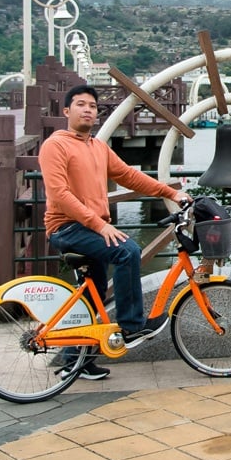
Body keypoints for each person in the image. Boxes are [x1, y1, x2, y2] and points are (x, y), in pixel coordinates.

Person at [40, 84, 192, 380]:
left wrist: (170, 193)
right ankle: (133, 327)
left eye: (93, 106)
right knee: (127, 250)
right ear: (67, 111)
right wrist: (99, 224)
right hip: (66, 227)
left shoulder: (98, 147)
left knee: (92, 294)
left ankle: (76, 361)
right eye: (81, 105)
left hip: (89, 229)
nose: (88, 110)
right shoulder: (55, 146)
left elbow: (129, 176)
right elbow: (59, 194)